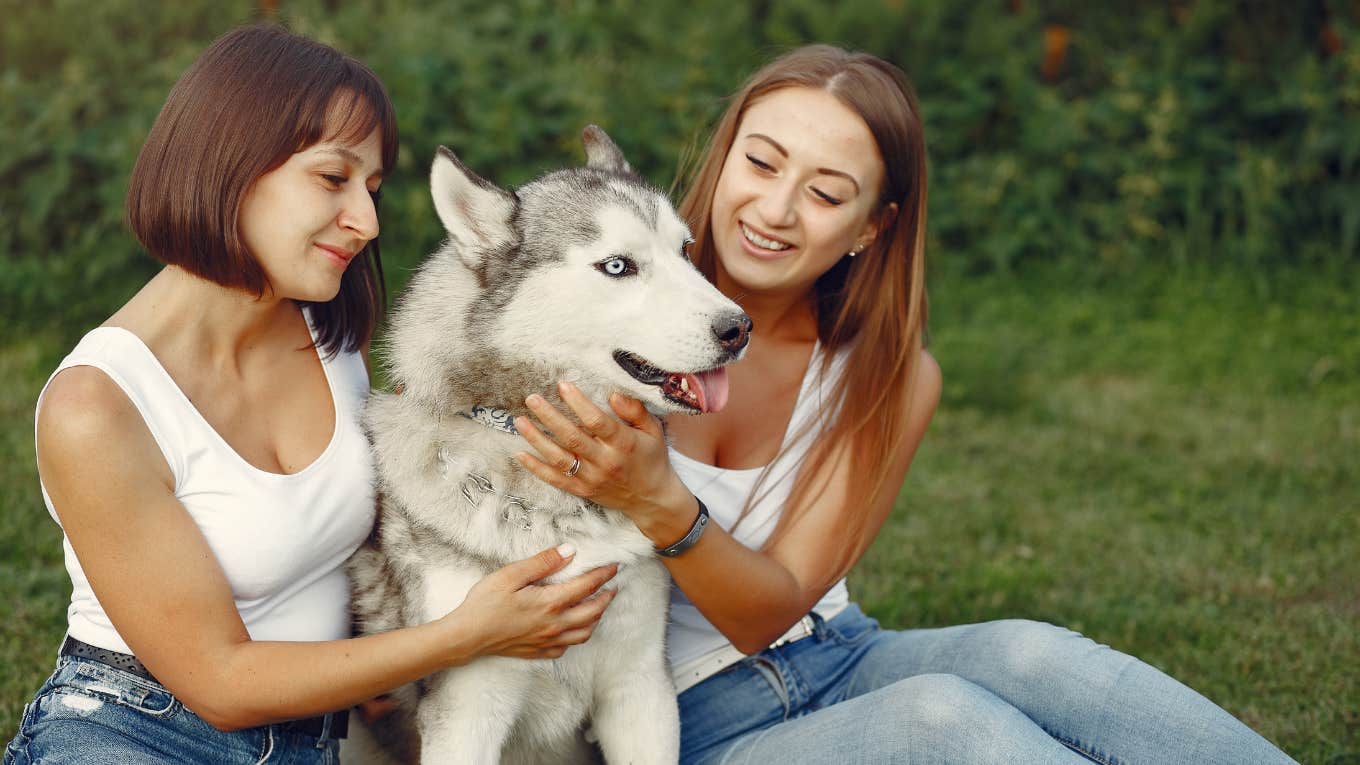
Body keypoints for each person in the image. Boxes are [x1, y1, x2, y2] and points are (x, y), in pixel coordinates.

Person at [512, 45, 1298, 763]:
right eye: (761, 162)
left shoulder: (884, 371)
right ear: (724, 162)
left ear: (869, 228)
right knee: (938, 717)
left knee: (1034, 652)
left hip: (839, 650)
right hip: (681, 718)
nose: (777, 209)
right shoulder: (594, 326)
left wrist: (657, 500)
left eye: (826, 193)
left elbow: (770, 610)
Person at [4, 25, 617, 765]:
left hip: (314, 740)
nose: (368, 220)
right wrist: (462, 635)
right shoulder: (96, 408)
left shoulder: (331, 335)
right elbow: (219, 680)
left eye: (373, 187)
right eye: (333, 178)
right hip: (134, 731)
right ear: (228, 162)